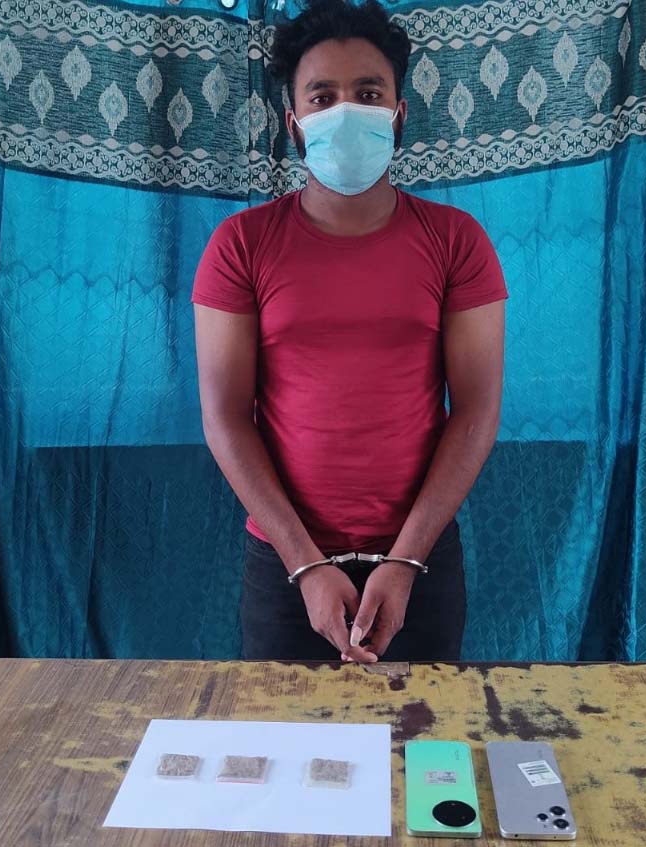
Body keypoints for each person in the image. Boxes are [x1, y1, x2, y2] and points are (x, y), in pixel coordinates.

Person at [192, 0, 507, 664]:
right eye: (322, 97)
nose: (345, 111)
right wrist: (306, 566)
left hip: (419, 563)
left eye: (367, 93)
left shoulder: (458, 242)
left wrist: (406, 560)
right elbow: (225, 417)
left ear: (398, 113)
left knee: (423, 730)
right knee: (283, 732)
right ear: (294, 124)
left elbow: (476, 411)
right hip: (287, 568)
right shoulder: (240, 246)